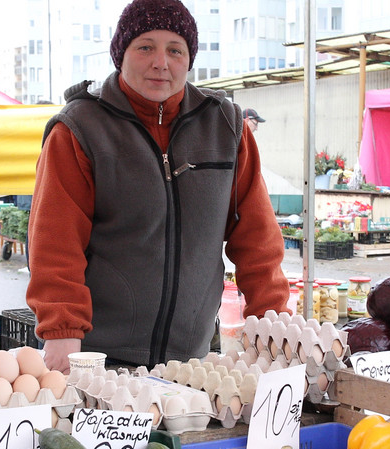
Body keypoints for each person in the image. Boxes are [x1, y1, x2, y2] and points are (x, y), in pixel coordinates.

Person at [26, 0, 291, 373]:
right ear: (121, 54)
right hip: (97, 358)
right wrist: (62, 331)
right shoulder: (80, 127)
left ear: (189, 58)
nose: (160, 63)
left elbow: (258, 240)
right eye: (145, 46)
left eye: (175, 50)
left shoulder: (225, 125)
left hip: (193, 360)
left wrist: (272, 325)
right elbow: (55, 245)